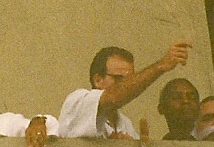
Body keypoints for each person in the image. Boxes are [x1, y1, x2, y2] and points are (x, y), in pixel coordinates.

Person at [46, 42, 192, 141]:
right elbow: (113, 98)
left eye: (131, 79)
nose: (128, 85)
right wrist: (161, 66)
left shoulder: (126, 123)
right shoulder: (78, 100)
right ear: (98, 79)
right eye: (119, 79)